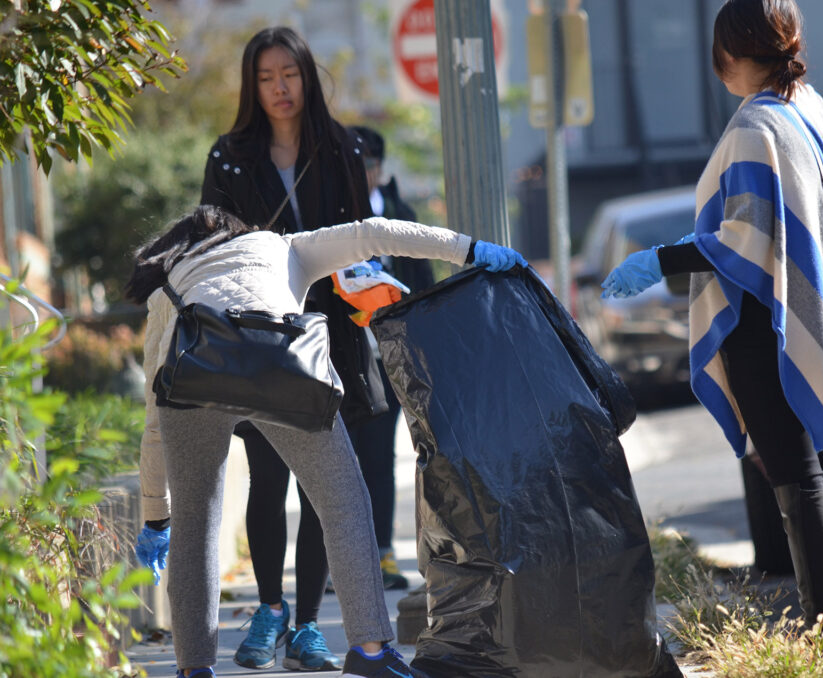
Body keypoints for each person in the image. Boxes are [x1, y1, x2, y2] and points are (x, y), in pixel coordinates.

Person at [129, 205, 527, 678]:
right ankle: (369, 652)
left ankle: (194, 669)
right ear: (241, 229)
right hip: (279, 370)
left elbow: (154, 415)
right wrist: (469, 249)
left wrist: (156, 516)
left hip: (192, 383)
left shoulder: (169, 285)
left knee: (193, 527)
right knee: (343, 504)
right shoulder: (284, 245)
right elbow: (376, 233)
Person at [601, 0, 823, 668]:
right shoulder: (805, 106)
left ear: (731, 51)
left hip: (766, 325)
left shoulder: (758, 123)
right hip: (799, 317)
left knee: (798, 484)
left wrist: (660, 260)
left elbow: (747, 241)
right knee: (819, 480)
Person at [197, 26, 386, 671]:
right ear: (253, 87)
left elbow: (363, 237)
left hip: (332, 338)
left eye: (290, 74)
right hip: (259, 340)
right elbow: (211, 250)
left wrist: (373, 294)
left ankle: (307, 625)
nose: (281, 89)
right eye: (266, 77)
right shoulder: (228, 157)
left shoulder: (340, 149)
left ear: (307, 76)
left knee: (321, 489)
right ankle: (269, 609)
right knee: (269, 477)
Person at [332, 125, 433, 592]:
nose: (362, 173)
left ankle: (382, 555)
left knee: (379, 459)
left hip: (389, 358)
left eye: (368, 164)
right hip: (338, 357)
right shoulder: (328, 219)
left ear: (380, 168)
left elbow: (425, 285)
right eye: (352, 165)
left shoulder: (399, 215)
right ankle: (340, 563)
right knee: (337, 461)